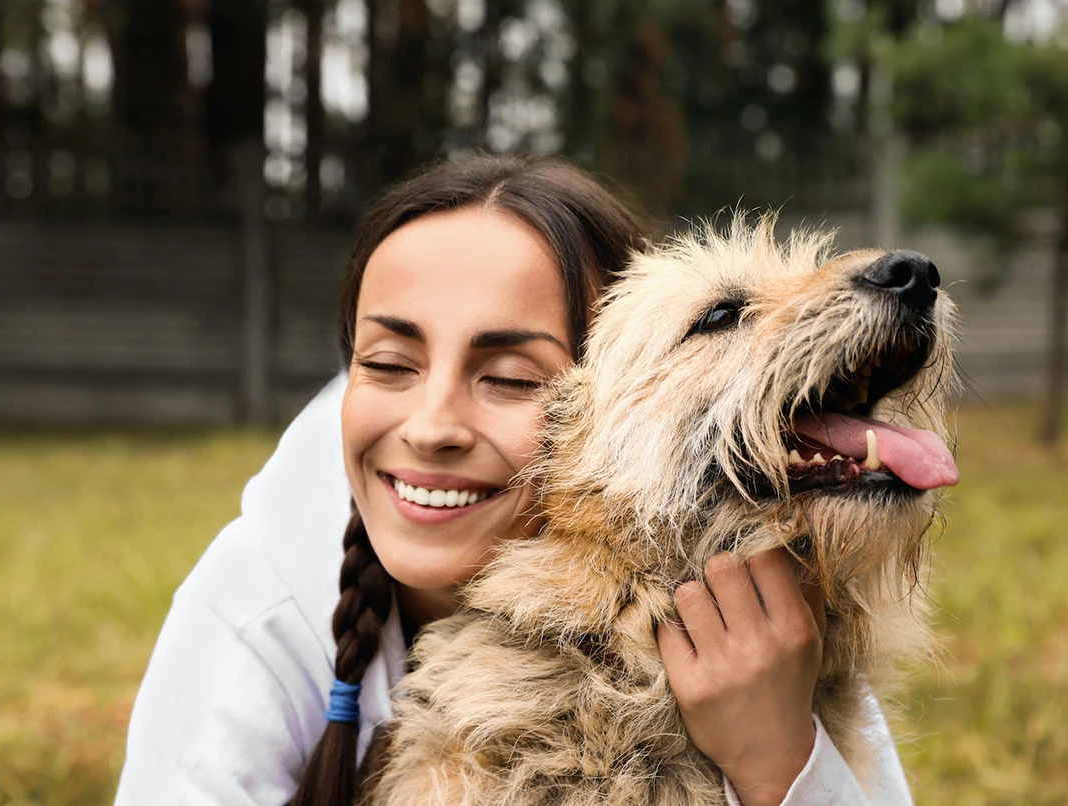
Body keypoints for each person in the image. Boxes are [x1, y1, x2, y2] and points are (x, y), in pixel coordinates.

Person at [115, 154, 914, 806]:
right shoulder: (261, 601)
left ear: (593, 403)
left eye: (511, 378)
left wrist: (779, 758)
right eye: (388, 364)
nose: (430, 427)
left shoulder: (764, 603)